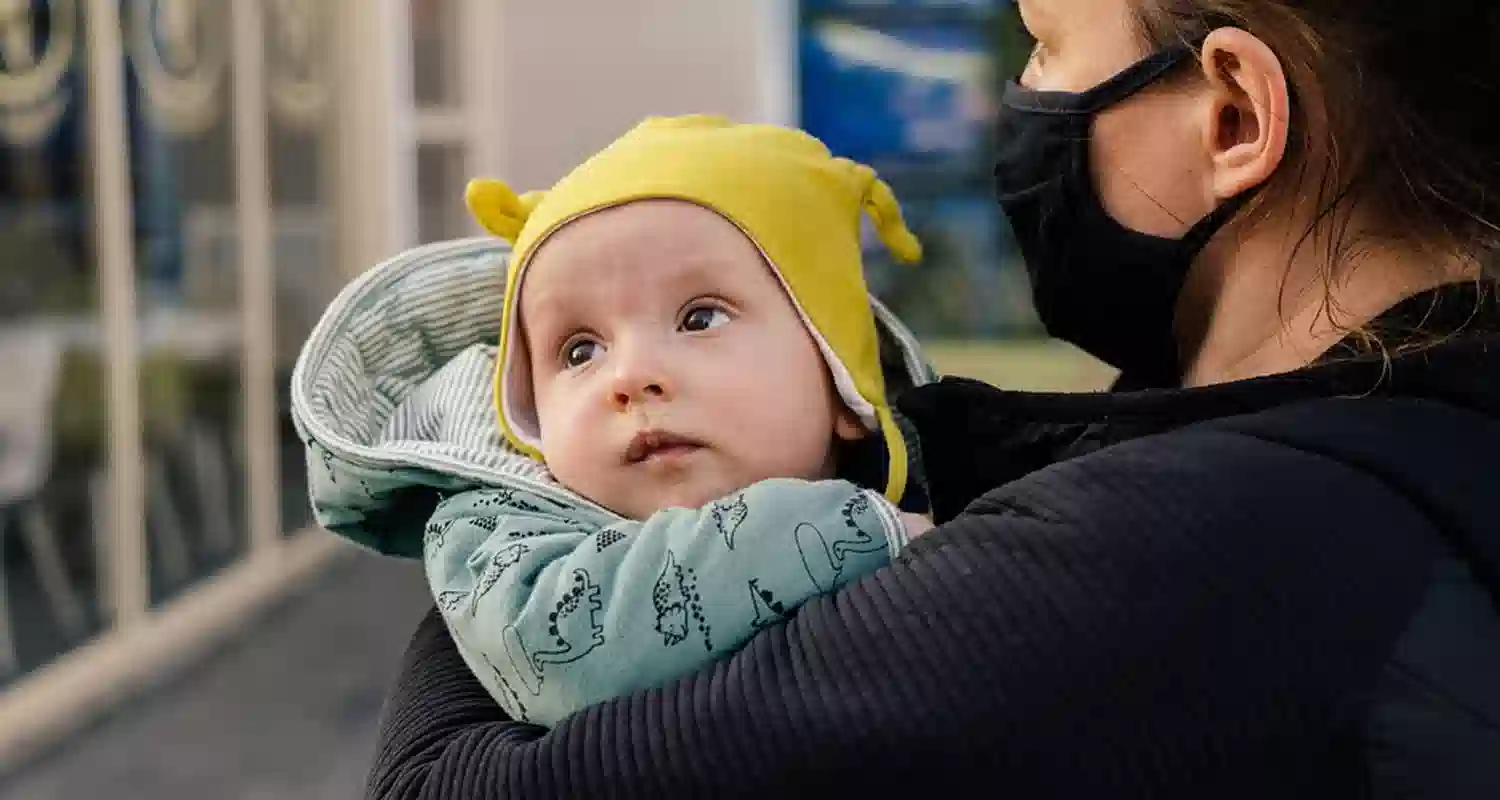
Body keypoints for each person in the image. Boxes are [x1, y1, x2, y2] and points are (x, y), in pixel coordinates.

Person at [363, 0, 1500, 796]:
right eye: (573, 351)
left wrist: (497, 508)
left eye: (1046, 45)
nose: (1020, 97)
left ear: (1233, 117)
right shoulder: (1398, 426)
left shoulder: (1203, 548)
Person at [291, 116, 938, 727]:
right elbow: (560, 651)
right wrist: (851, 529)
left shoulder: (964, 482)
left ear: (842, 387)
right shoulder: (497, 532)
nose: (630, 377)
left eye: (699, 318)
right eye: (580, 351)